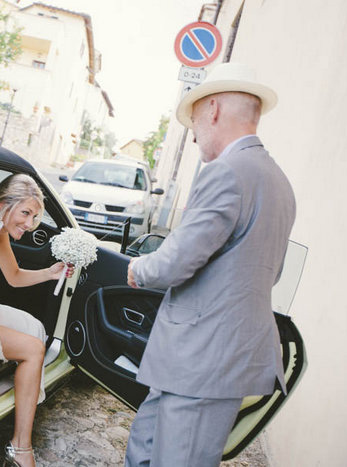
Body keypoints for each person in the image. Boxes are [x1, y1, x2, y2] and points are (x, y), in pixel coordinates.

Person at [124, 62, 296, 466]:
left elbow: (174, 263)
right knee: (144, 451)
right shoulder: (280, 181)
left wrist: (137, 268)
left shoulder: (226, 173)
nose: (195, 131)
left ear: (214, 109)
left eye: (195, 119)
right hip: (200, 361)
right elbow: (271, 270)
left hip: (203, 363)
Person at [0, 173, 72, 467]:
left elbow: (13, 276)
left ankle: (16, 401)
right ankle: (20, 447)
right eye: (25, 213)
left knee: (34, 327)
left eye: (35, 216)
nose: (29, 223)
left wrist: (51, 272)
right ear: (4, 204)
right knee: (34, 349)